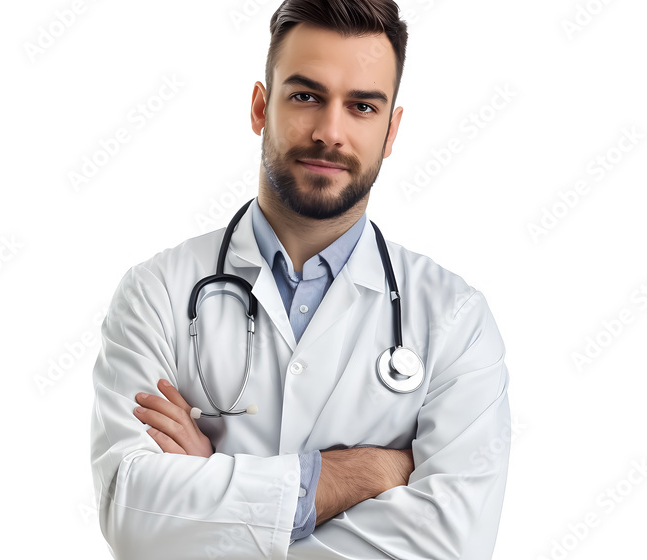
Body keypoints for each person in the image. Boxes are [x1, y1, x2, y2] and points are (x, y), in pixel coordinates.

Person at [89, 1, 511, 558]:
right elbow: (132, 513)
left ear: (391, 131)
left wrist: (211, 488)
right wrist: (362, 474)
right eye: (307, 96)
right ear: (261, 107)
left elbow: (449, 543)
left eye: (362, 106)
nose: (330, 132)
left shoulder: (456, 319)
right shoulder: (156, 294)